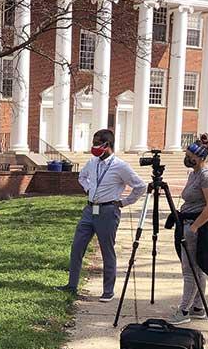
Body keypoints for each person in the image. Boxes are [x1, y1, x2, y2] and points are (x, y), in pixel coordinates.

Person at [57, 129, 146, 301]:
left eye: (98, 143)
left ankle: (108, 290)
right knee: (77, 247)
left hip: (108, 211)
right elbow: (82, 177)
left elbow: (140, 186)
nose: (94, 147)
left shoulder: (121, 166)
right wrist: (88, 189)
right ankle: (71, 285)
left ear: (107, 145)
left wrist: (124, 202)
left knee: (107, 250)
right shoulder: (92, 162)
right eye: (94, 143)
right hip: (90, 210)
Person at [168, 134, 208, 325]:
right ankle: (198, 307)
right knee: (197, 270)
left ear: (199, 157)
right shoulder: (194, 173)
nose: (187, 157)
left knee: (190, 270)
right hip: (188, 223)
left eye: (190, 155)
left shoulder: (207, 177)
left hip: (197, 226)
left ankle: (183, 311)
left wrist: (195, 226)